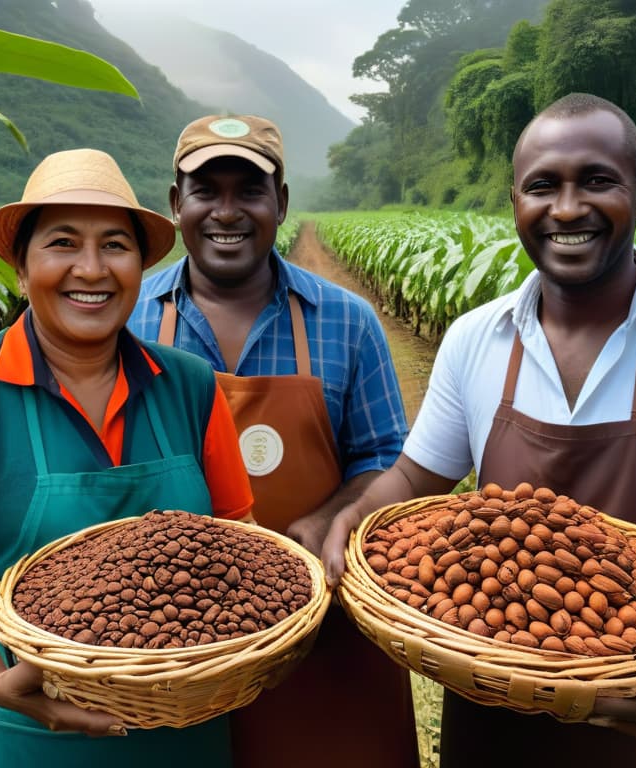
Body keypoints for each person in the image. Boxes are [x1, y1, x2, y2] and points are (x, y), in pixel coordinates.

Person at [321, 93, 636, 768]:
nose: (567, 208)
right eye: (542, 186)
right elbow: (414, 477)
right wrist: (356, 516)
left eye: (597, 180)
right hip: (499, 692)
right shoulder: (476, 339)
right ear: (516, 202)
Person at [0, 148, 253, 768]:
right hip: (15, 725)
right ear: (21, 269)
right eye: (62, 243)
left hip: (181, 728)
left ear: (139, 265)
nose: (91, 269)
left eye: (114, 245)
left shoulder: (191, 386)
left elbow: (239, 539)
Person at [127, 114, 419, 768]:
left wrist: (332, 518)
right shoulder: (132, 319)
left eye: (249, 190)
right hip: (171, 638)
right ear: (177, 205)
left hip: (325, 627)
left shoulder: (348, 322)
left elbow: (385, 461)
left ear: (281, 203)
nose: (226, 211)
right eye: (206, 191)